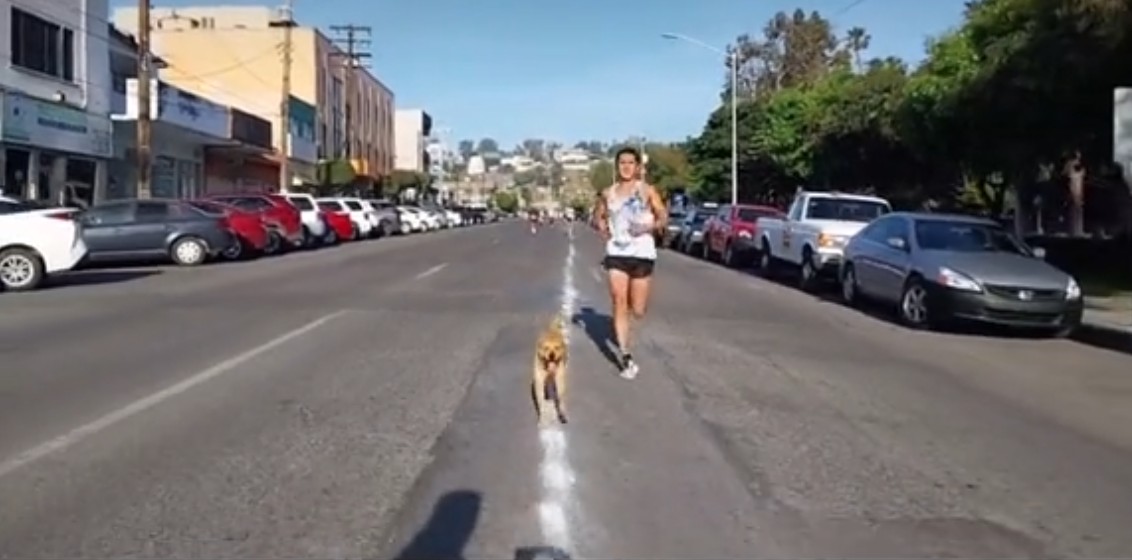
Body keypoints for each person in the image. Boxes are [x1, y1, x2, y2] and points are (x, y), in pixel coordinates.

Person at [593, 146, 667, 379]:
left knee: (638, 309)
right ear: (617, 166)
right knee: (618, 300)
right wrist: (602, 226)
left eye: (630, 163)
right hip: (617, 253)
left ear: (637, 167)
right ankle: (625, 355)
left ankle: (625, 328)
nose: (626, 167)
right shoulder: (608, 193)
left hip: (642, 253)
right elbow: (599, 214)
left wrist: (650, 226)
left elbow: (663, 216)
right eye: (622, 163)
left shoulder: (646, 190)